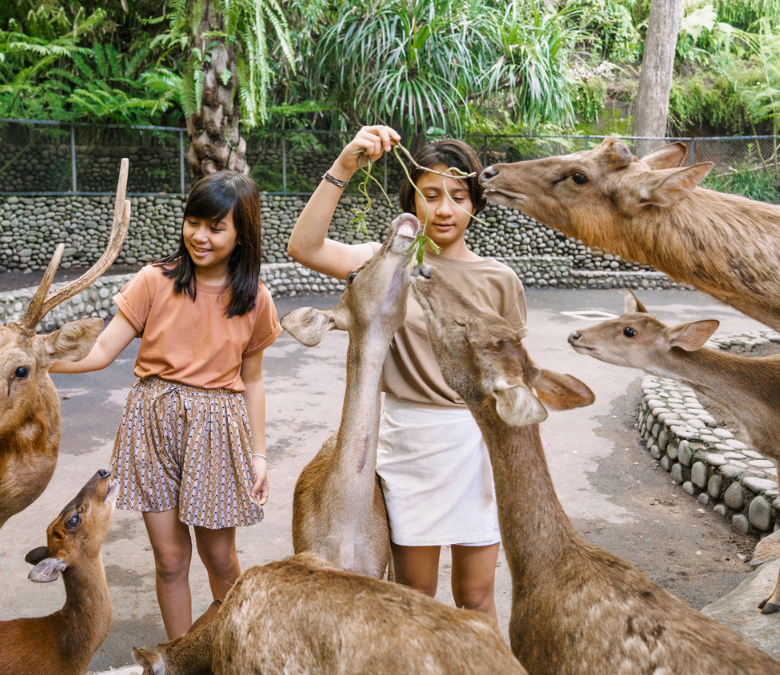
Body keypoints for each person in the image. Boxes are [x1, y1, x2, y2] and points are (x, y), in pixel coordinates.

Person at [287, 125, 528, 622]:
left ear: (476, 205)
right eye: (431, 194)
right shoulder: (383, 265)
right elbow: (305, 248)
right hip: (406, 444)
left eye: (458, 196)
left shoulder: (500, 280)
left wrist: (524, 451)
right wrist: (346, 164)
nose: (444, 209)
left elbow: (514, 373)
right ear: (411, 199)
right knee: (415, 598)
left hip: (479, 443)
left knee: (477, 597)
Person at [51, 171, 281, 639]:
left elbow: (252, 381)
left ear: (242, 235)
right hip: (150, 424)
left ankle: (234, 647)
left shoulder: (254, 298)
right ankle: (179, 656)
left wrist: (259, 455)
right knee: (171, 559)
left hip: (217, 430)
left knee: (220, 557)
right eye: (193, 222)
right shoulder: (153, 281)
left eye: (216, 228)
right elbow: (99, 352)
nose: (200, 236)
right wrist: (35, 360)